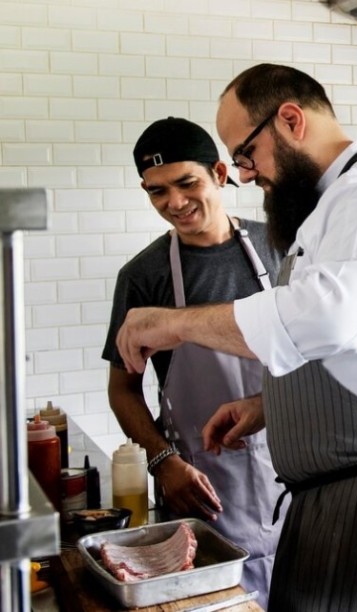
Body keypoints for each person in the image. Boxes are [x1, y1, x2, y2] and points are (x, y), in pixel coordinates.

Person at [114, 63, 357, 612]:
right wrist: (270, 404)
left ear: (290, 120)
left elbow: (326, 320)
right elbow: (355, 351)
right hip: (351, 492)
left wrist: (172, 322)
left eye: (246, 154)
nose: (245, 175)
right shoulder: (332, 206)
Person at [101, 117, 283, 606]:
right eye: (157, 192)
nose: (175, 204)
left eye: (187, 183)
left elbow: (318, 353)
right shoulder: (144, 276)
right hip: (202, 487)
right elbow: (122, 389)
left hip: (293, 473)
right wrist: (164, 463)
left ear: (220, 174)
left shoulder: (281, 245)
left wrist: (269, 405)